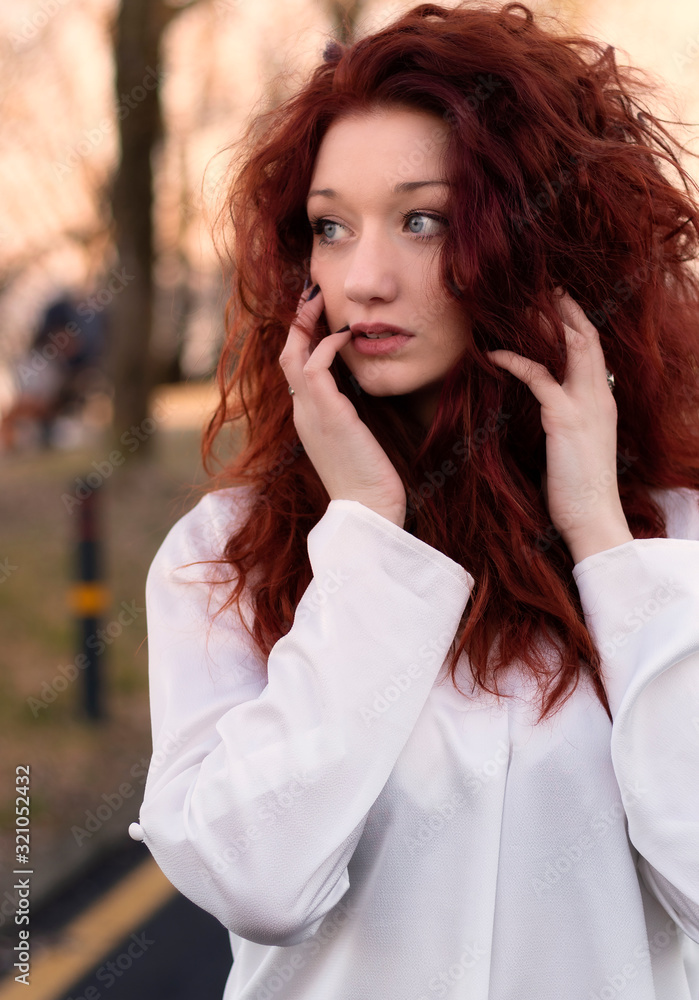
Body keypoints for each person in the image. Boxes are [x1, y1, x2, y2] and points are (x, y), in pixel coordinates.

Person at [129, 3, 699, 997]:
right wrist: (364, 536)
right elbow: (254, 880)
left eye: (422, 220)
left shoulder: (670, 536)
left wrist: (603, 542)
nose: (364, 278)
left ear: (537, 240)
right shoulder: (225, 554)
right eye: (331, 227)